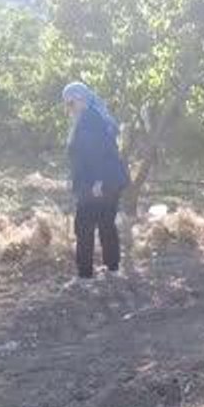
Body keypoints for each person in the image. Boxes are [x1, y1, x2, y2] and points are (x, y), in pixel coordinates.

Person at [62, 82, 130, 282]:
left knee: (84, 226)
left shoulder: (91, 119)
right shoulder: (93, 116)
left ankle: (85, 276)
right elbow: (84, 155)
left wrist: (99, 181)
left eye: (71, 103)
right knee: (106, 223)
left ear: (81, 99)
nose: (68, 108)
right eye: (66, 104)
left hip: (98, 182)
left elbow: (100, 152)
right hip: (105, 180)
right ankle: (113, 268)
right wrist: (74, 178)